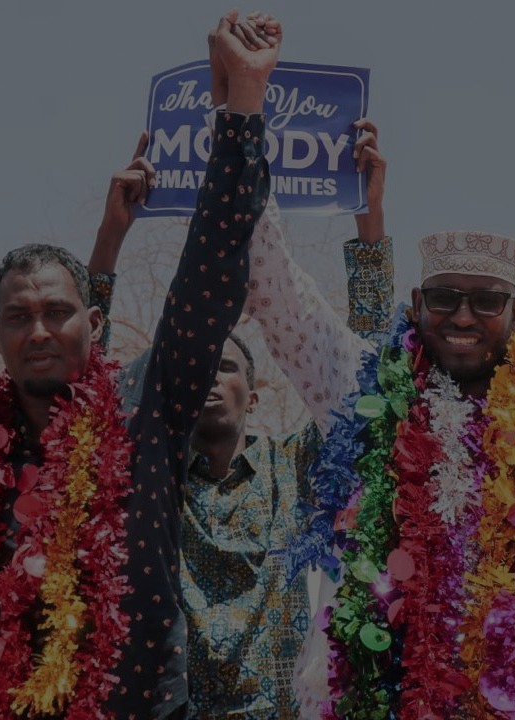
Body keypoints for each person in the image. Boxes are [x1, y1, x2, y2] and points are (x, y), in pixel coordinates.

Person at [0, 9, 279, 719]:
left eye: (58, 312)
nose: (38, 330)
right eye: (19, 317)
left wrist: (241, 107)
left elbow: (210, 276)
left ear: (94, 324)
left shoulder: (147, 416)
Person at [86, 16, 393, 718]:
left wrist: (369, 225)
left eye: (227, 365)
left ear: (256, 397)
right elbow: (84, 393)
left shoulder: (301, 468)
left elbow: (375, 388)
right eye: (199, 364)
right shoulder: (150, 471)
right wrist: (110, 238)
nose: (208, 377)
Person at [274, 229, 515, 718]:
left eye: (486, 301)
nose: (463, 317)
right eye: (444, 298)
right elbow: (281, 298)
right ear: (418, 303)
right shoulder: (373, 401)